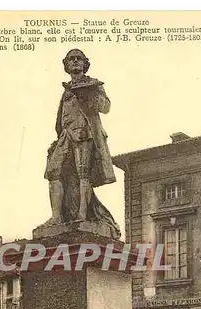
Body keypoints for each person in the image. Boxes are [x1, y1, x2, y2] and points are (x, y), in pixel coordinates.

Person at [44, 49, 120, 239]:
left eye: (79, 59)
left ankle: (82, 216)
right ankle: (56, 217)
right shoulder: (65, 89)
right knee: (53, 171)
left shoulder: (92, 84)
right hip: (66, 136)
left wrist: (86, 95)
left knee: (83, 173)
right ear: (67, 65)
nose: (75, 61)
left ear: (85, 64)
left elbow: (106, 107)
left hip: (84, 134)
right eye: (71, 59)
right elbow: (61, 117)